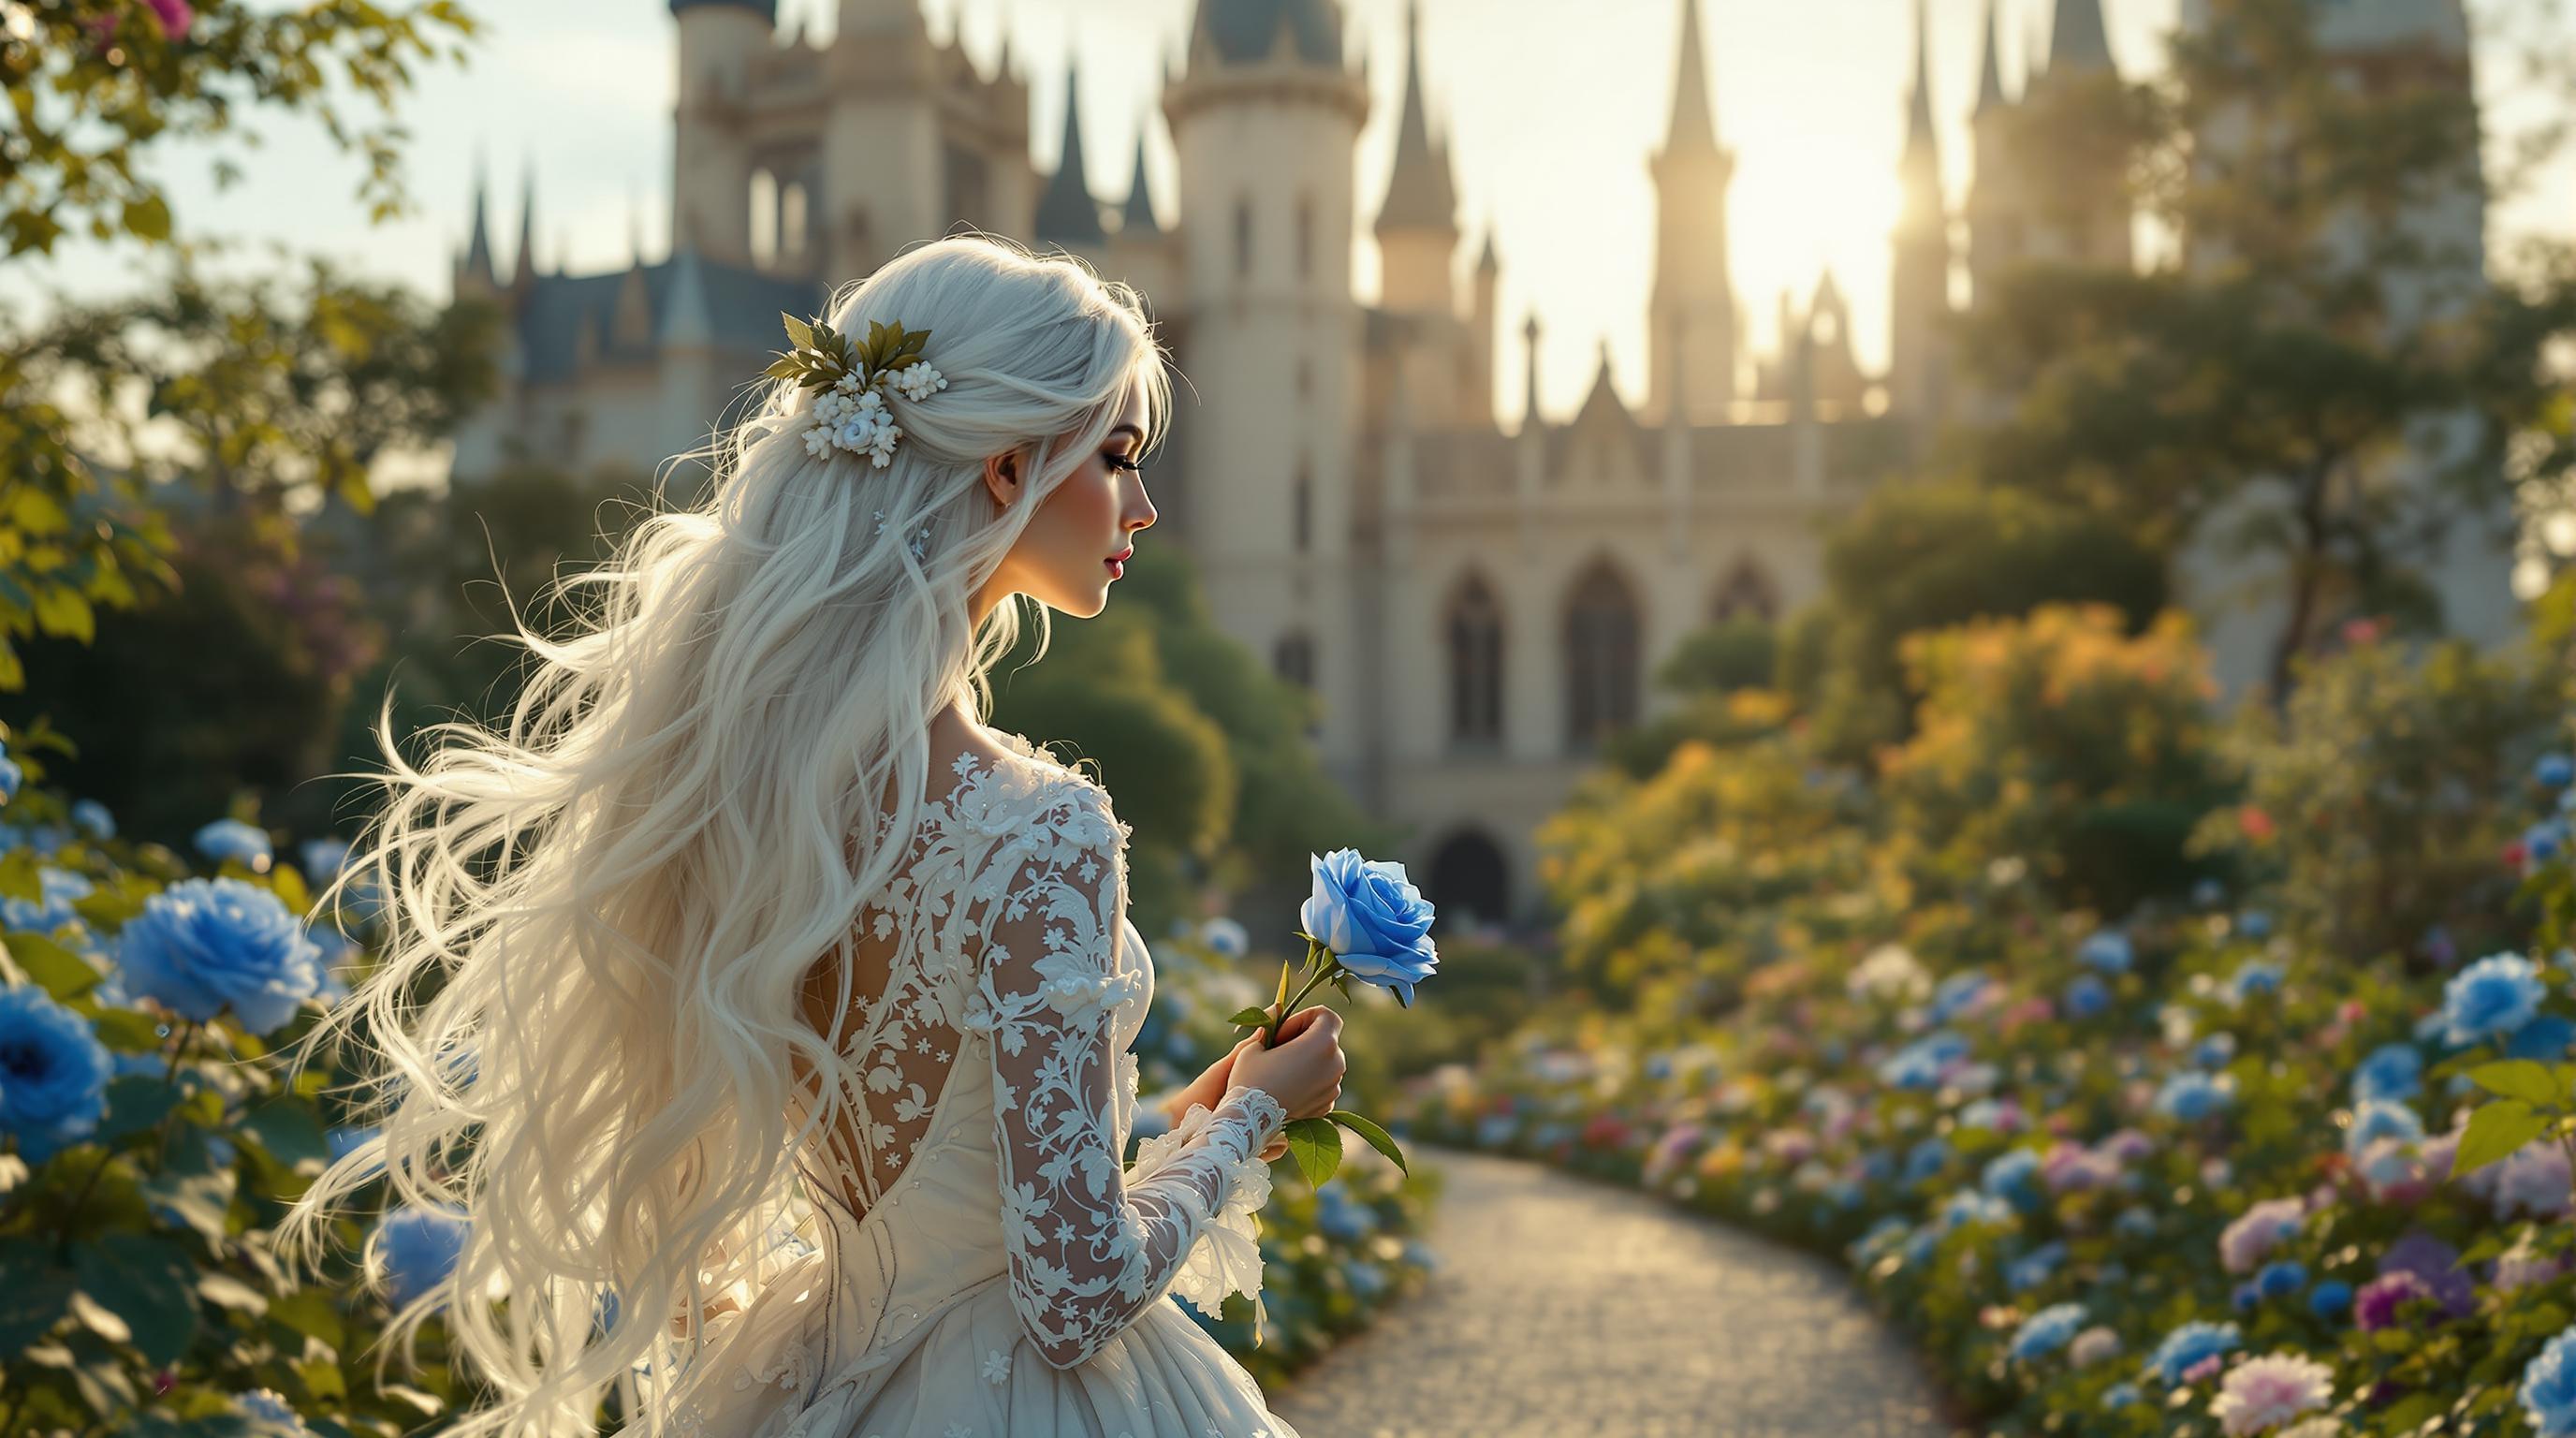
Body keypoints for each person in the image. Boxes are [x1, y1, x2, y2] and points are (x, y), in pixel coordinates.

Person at [276, 235, 1348, 1438]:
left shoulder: (775, 800)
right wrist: (1254, 1117)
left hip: (827, 1386)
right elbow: (1069, 1295)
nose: (1144, 507)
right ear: (1004, 466)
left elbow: (952, 1188)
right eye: (1115, 457)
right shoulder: (1040, 829)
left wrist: (1184, 1127)